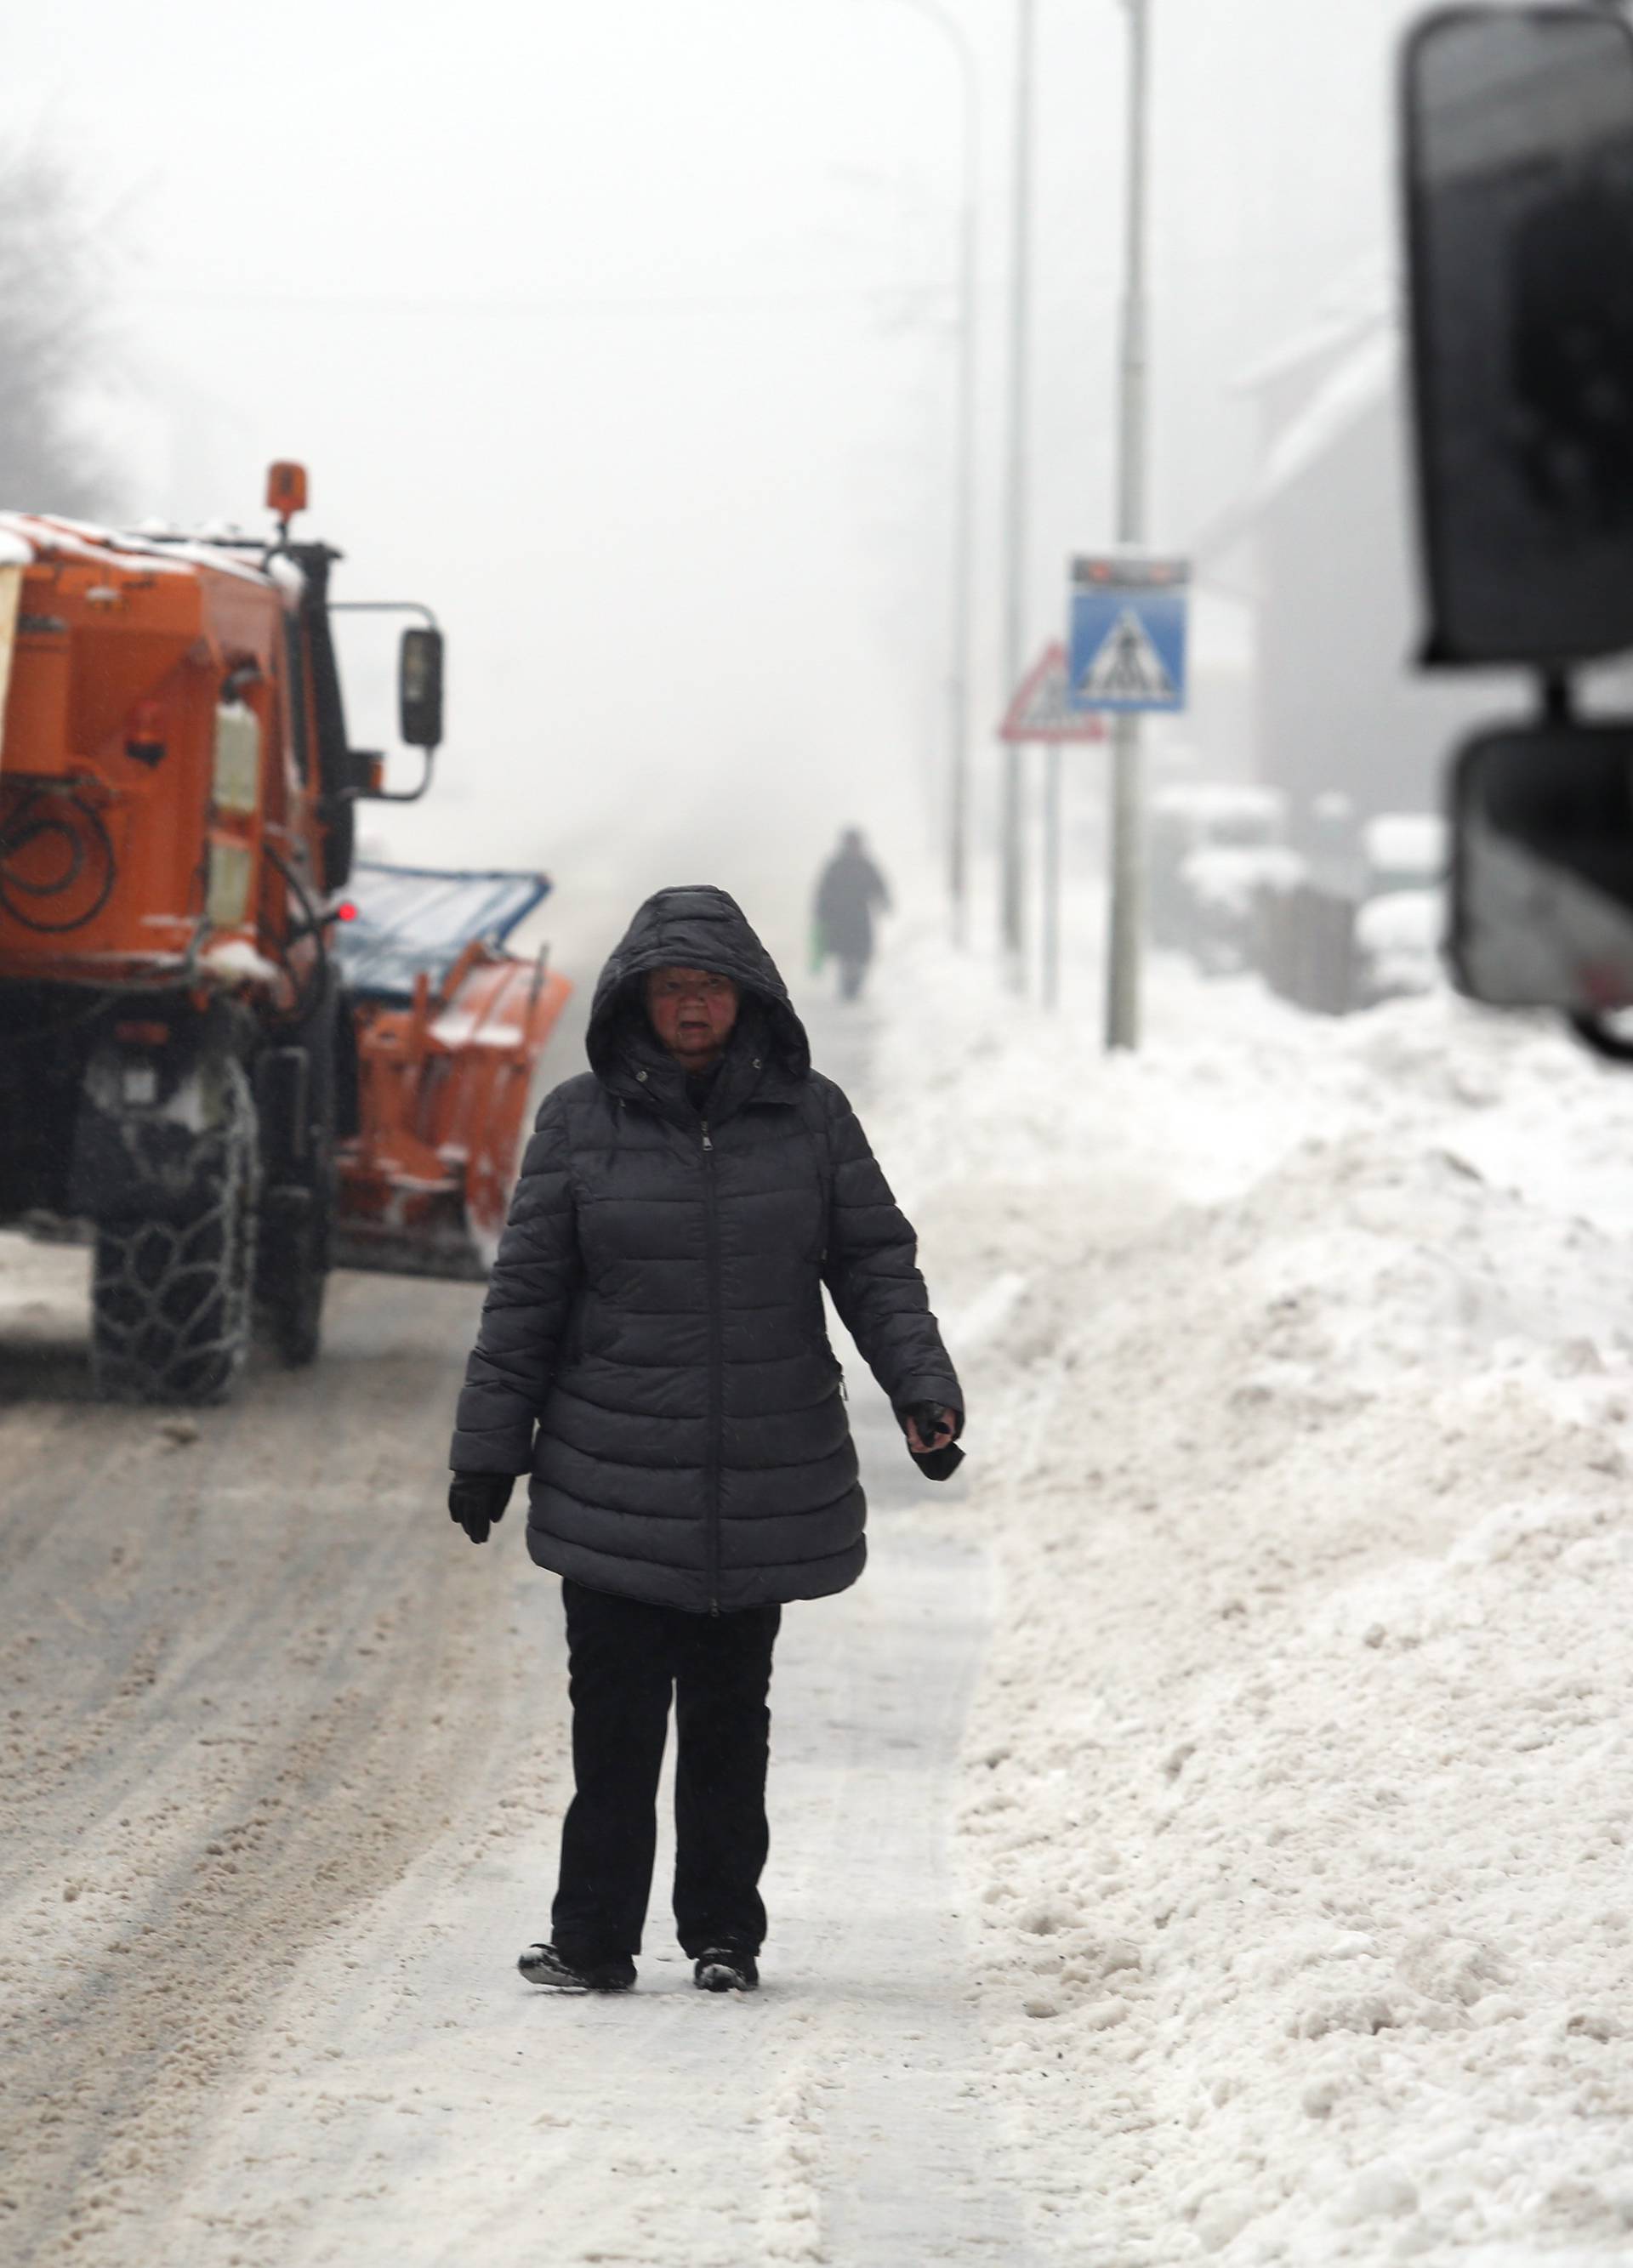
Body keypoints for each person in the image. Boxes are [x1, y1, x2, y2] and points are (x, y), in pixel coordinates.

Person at [447, 884, 963, 1996]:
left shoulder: (811, 1116)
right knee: (616, 1730)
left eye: (711, 987)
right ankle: (592, 1938)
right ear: (638, 998)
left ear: (748, 997)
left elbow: (876, 1265)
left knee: (732, 1724)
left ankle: (725, 1933)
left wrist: (924, 1389)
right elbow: (526, 1299)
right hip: (613, 1477)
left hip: (755, 1477)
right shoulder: (580, 1122)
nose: (692, 1005)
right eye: (673, 987)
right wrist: (489, 1447)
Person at [813, 827, 890, 1001]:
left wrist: (885, 901)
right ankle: (848, 986)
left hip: (859, 917)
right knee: (846, 954)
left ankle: (855, 984)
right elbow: (824, 892)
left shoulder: (865, 865)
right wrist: (821, 913)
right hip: (841, 919)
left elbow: (879, 885)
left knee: (861, 954)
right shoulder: (836, 865)